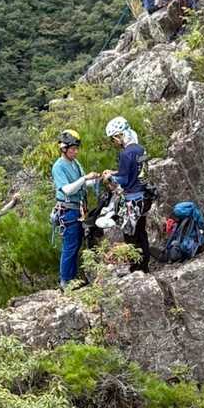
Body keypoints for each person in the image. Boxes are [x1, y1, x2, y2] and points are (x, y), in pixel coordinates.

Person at [51, 130, 99, 290]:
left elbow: (82, 185)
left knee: (76, 244)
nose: (76, 152)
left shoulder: (75, 163)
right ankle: (66, 281)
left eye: (76, 148)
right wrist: (84, 178)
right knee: (70, 246)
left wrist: (96, 179)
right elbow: (67, 189)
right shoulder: (58, 167)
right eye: (73, 149)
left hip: (78, 210)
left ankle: (72, 279)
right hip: (68, 210)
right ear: (64, 149)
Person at [103, 115, 150, 274]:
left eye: (113, 139)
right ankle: (145, 266)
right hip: (143, 197)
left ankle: (136, 268)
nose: (114, 142)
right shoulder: (141, 149)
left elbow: (123, 179)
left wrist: (109, 177)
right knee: (141, 233)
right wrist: (115, 172)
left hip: (131, 201)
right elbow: (137, 171)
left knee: (131, 235)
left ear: (119, 135)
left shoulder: (125, 154)